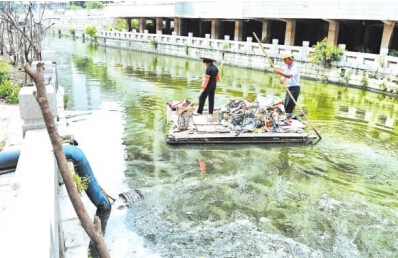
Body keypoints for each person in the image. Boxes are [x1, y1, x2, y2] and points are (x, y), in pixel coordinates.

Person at [273, 52, 300, 125]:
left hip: (295, 88)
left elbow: (289, 76)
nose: (284, 61)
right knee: (286, 103)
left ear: (288, 59)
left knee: (290, 104)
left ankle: (288, 120)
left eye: (284, 60)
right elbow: (285, 76)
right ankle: (288, 117)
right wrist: (282, 80)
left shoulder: (295, 67)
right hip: (289, 87)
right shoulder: (287, 66)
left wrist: (279, 72)